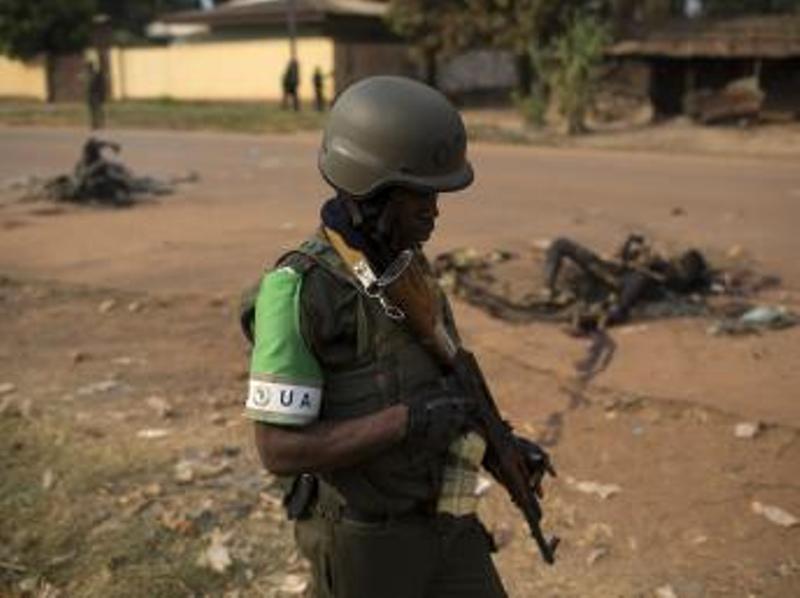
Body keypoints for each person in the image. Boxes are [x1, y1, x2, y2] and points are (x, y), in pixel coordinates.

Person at [242, 76, 549, 598]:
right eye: (419, 196)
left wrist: (501, 447)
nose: (434, 211)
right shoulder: (298, 290)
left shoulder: (408, 270)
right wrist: (404, 423)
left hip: (446, 524)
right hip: (368, 543)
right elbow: (278, 449)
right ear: (371, 189)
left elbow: (445, 385)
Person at [543, 234, 710, 328]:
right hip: (611, 273)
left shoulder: (662, 280)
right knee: (560, 244)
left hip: (619, 282)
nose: (678, 264)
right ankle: (548, 289)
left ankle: (610, 314)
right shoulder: (661, 267)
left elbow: (642, 279)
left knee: (638, 280)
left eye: (682, 265)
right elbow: (626, 260)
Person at [85, 62, 107, 130]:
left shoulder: (96, 75)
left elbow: (101, 85)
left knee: (98, 109)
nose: (88, 69)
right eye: (87, 68)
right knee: (92, 111)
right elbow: (87, 86)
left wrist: (102, 95)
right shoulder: (88, 75)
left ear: (91, 67)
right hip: (90, 95)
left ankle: (101, 123)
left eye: (89, 67)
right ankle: (94, 125)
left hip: (96, 94)